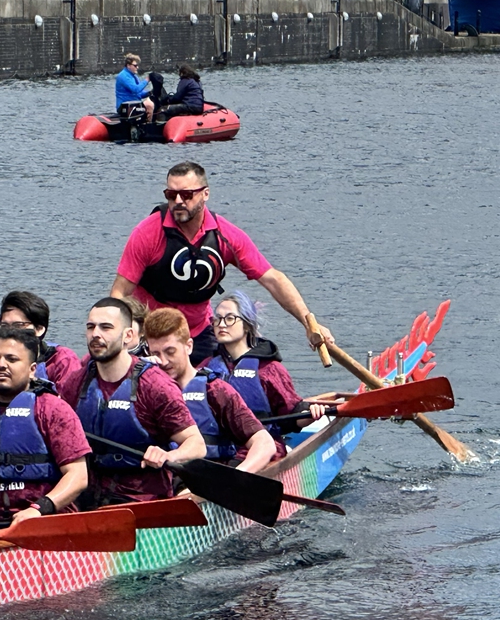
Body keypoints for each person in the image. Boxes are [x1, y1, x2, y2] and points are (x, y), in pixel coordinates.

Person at [110, 161, 334, 366]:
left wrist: (309, 324)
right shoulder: (147, 233)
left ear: (205, 194)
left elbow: (273, 279)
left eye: (186, 194)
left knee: (242, 369)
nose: (178, 201)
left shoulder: (224, 236)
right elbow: (120, 293)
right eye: (171, 194)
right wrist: (118, 339)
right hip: (152, 337)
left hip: (197, 333)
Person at [58, 298, 205, 504]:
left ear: (128, 336)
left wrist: (168, 456)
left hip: (140, 499)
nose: (96, 334)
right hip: (87, 497)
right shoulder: (76, 382)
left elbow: (196, 444)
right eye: (91, 327)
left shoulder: (155, 384)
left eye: (106, 327)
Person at [0, 327, 89, 522]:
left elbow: (78, 476)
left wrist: (39, 509)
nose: (1, 365)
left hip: (44, 518)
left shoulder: (53, 409)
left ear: (32, 369)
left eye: (12, 359)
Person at [142, 308, 279, 472]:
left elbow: (264, 443)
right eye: (156, 353)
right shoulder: (144, 392)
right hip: (161, 483)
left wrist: (237, 477)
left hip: (209, 480)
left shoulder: (215, 390)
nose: (163, 361)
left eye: (170, 352)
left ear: (189, 346)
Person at [206, 291, 328, 445]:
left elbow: (291, 416)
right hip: (220, 448)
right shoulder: (207, 367)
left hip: (263, 447)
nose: (221, 324)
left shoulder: (269, 369)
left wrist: (309, 415)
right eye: (218, 318)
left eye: (230, 318)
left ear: (246, 325)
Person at [0, 290, 82, 390]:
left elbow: (69, 400)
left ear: (39, 329)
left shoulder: (62, 361)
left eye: (18, 325)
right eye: (4, 326)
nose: (10, 332)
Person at [115, 53, 155, 121]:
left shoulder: (134, 76)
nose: (137, 67)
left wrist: (149, 93)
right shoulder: (123, 76)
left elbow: (139, 93)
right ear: (128, 66)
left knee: (152, 101)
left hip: (134, 105)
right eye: (135, 65)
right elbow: (135, 89)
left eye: (137, 65)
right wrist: (147, 80)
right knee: (149, 105)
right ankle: (148, 124)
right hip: (124, 108)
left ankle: (148, 123)